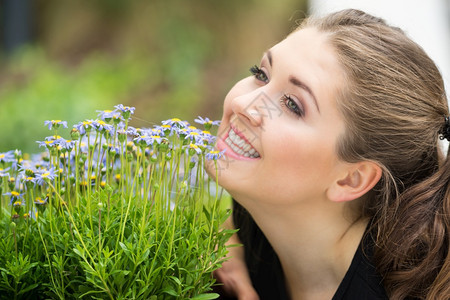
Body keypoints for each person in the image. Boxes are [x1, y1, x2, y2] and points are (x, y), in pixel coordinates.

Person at [207, 8, 450, 300]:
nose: (245, 104)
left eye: (293, 105)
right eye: (261, 74)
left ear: (352, 179)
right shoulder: (247, 224)